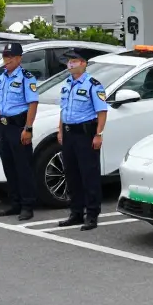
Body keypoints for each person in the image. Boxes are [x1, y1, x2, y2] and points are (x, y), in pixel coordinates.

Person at [56, 49, 108, 231]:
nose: (70, 64)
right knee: (71, 174)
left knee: (89, 175)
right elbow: (63, 109)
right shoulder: (66, 84)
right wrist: (60, 130)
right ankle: (76, 212)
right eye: (68, 61)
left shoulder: (93, 85)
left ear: (84, 63)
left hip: (86, 134)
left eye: (74, 61)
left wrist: (99, 134)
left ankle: (92, 214)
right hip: (69, 134)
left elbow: (102, 111)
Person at [0, 43, 40, 222]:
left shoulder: (27, 78)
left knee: (23, 168)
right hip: (4, 126)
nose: (7, 60)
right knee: (9, 167)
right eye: (5, 57)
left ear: (19, 58)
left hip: (18, 127)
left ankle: (28, 205)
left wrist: (28, 128)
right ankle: (15, 203)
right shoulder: (2, 77)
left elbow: (33, 104)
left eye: (10, 57)